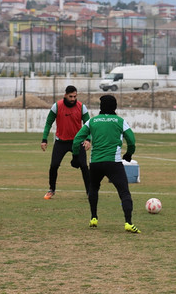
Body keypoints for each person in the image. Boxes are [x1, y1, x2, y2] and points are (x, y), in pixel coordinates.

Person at [71, 94, 141, 234]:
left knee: (94, 188)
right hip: (113, 163)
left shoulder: (92, 121)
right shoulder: (120, 121)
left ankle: (94, 218)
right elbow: (131, 140)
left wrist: (75, 156)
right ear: (115, 107)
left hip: (95, 163)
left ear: (100, 107)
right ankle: (128, 222)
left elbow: (77, 139)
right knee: (124, 192)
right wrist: (128, 154)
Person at [41, 85, 91, 199]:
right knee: (54, 165)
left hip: (77, 142)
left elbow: (89, 125)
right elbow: (48, 123)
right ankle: (51, 190)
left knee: (83, 166)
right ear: (65, 95)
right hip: (61, 142)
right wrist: (44, 139)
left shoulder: (82, 107)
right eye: (70, 96)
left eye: (75, 96)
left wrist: (88, 139)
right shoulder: (56, 106)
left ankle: (89, 192)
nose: (73, 99)